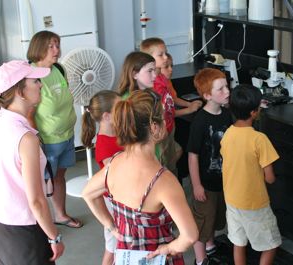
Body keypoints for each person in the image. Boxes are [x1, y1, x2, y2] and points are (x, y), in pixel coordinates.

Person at [0, 60, 65, 264]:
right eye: (35, 81)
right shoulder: (25, 138)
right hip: (24, 227)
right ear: (20, 91)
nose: (41, 85)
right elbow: (36, 201)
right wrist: (54, 236)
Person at [82, 89, 198, 265]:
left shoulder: (113, 164)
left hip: (125, 255)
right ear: (154, 127)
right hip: (155, 256)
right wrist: (168, 248)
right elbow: (190, 236)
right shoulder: (163, 181)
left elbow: (88, 194)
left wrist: (112, 227)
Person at [220, 85, 282, 265]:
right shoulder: (259, 139)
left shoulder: (228, 134)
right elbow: (269, 178)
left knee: (238, 242)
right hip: (254, 203)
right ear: (254, 112)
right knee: (271, 244)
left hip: (232, 200)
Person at [27, 30, 82, 228]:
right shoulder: (30, 75)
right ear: (38, 47)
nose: (56, 49)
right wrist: (36, 141)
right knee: (41, 183)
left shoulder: (59, 69)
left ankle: (60, 215)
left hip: (67, 136)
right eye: (51, 46)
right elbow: (29, 113)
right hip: (47, 141)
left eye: (57, 44)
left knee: (59, 176)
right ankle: (39, 224)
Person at [187, 68, 232, 265]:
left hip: (224, 180)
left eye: (227, 86)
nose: (227, 91)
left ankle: (210, 246)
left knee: (215, 216)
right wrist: (196, 185)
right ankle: (200, 259)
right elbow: (193, 155)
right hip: (205, 182)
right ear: (207, 96)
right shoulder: (200, 121)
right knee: (202, 221)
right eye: (220, 89)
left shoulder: (228, 114)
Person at [81, 90, 122, 265]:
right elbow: (115, 174)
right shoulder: (104, 144)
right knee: (112, 248)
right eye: (119, 109)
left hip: (121, 198)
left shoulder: (118, 132)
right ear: (106, 116)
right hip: (112, 202)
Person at [140, 37, 180, 176]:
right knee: (162, 167)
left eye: (165, 53)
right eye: (160, 55)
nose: (165, 57)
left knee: (171, 163)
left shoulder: (162, 78)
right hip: (160, 132)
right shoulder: (151, 84)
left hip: (169, 128)